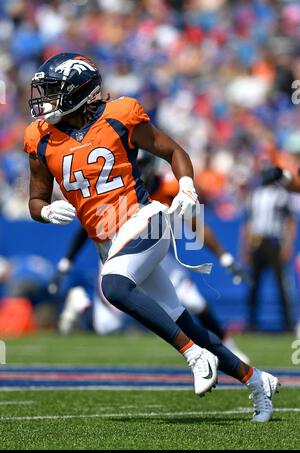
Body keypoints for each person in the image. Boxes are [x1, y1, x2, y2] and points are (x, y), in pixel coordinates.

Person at [25, 52, 278, 422]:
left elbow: (173, 150)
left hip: (147, 220)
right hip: (109, 243)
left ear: (78, 91)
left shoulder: (119, 115)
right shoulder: (40, 139)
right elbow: (35, 198)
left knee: (112, 286)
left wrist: (187, 187)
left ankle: (195, 356)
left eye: (52, 91)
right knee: (184, 321)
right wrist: (45, 212)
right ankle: (258, 383)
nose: (43, 101)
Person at [51, 152, 250, 363]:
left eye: (142, 163)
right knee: (107, 327)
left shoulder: (168, 188)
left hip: (157, 257)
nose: (139, 167)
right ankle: (81, 303)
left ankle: (227, 347)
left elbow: (195, 225)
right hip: (121, 256)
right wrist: (66, 262)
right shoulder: (116, 187)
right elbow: (86, 228)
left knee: (196, 303)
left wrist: (225, 257)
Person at [242, 169, 295, 331]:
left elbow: (289, 222)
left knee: (281, 284)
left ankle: (287, 323)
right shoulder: (254, 195)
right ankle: (251, 322)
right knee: (254, 284)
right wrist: (246, 247)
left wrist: (287, 245)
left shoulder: (281, 196)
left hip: (273, 242)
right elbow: (248, 224)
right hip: (257, 242)